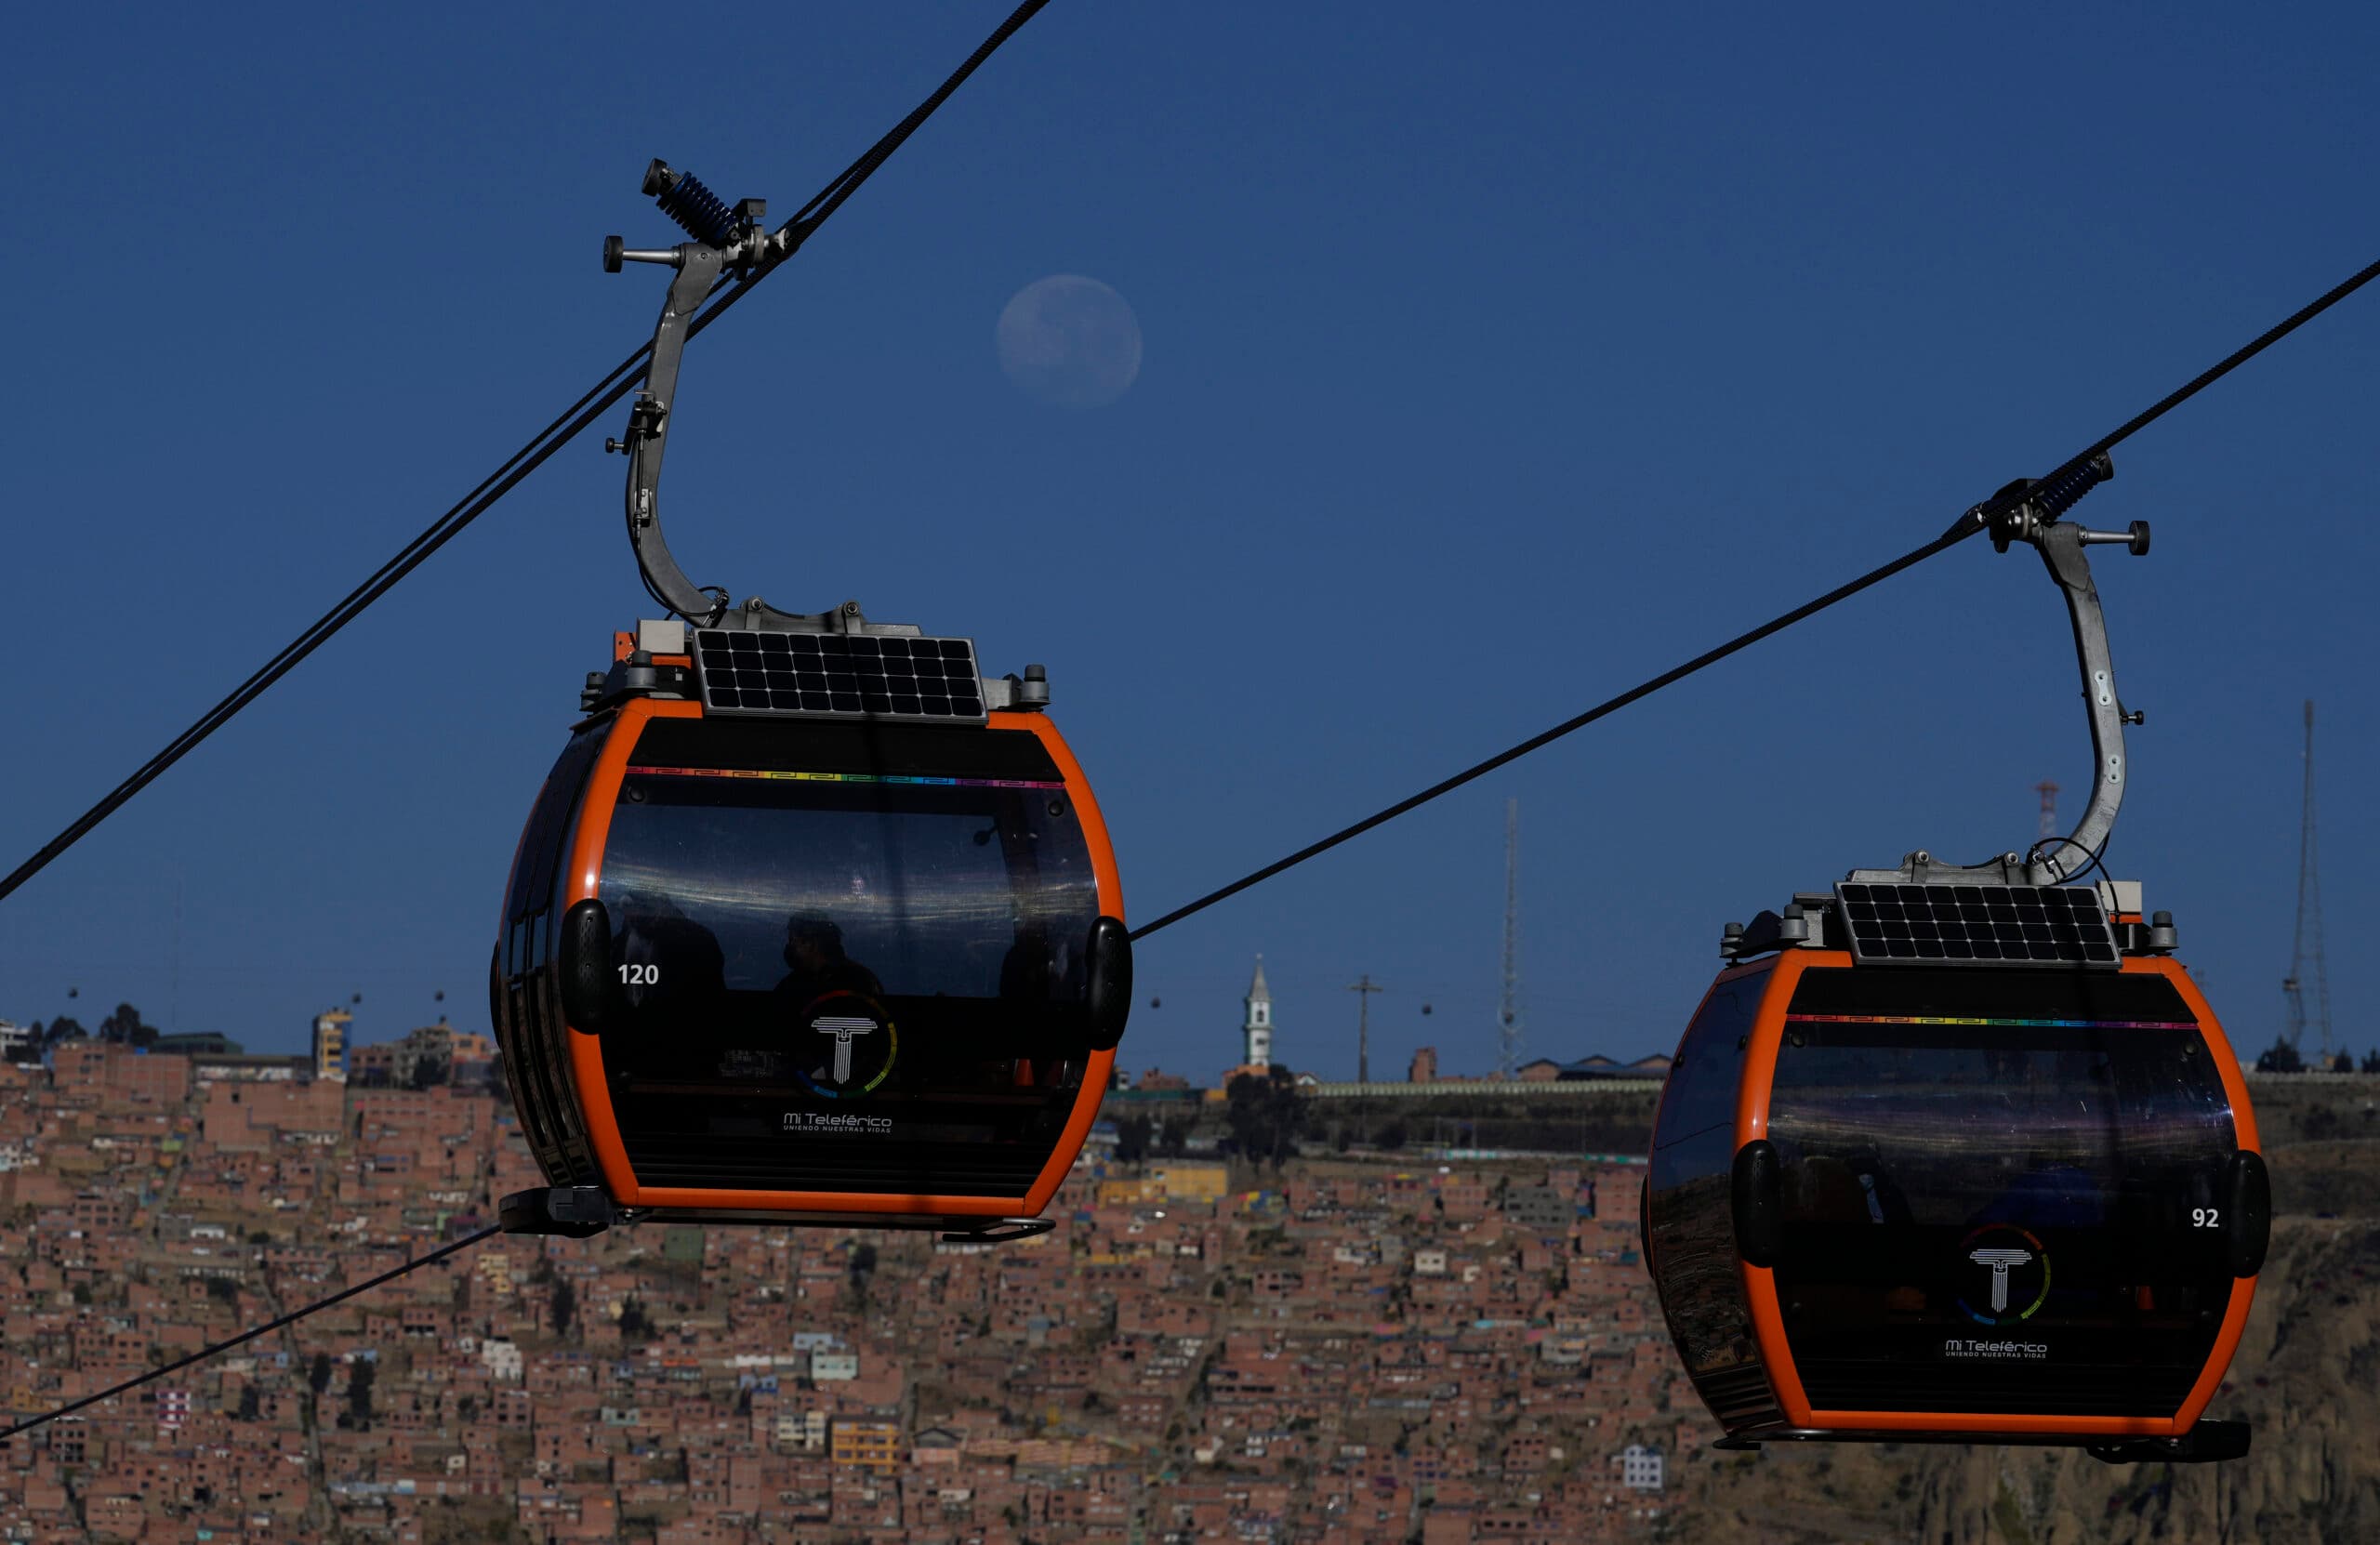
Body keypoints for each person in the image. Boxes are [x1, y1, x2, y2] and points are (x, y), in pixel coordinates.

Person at [773, 915, 885, 1010]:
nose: (789, 946)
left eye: (792, 940)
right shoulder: (863, 978)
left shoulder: (859, 981)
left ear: (811, 943)